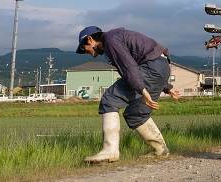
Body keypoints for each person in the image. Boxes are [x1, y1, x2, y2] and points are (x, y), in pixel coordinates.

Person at [75, 26, 180, 164]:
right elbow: (129, 69)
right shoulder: (114, 40)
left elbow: (129, 66)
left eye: (84, 49)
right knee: (136, 114)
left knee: (109, 100)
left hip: (151, 67)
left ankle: (110, 151)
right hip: (160, 67)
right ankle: (160, 150)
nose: (87, 53)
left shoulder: (111, 40)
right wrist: (166, 87)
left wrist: (142, 89)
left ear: (90, 39)